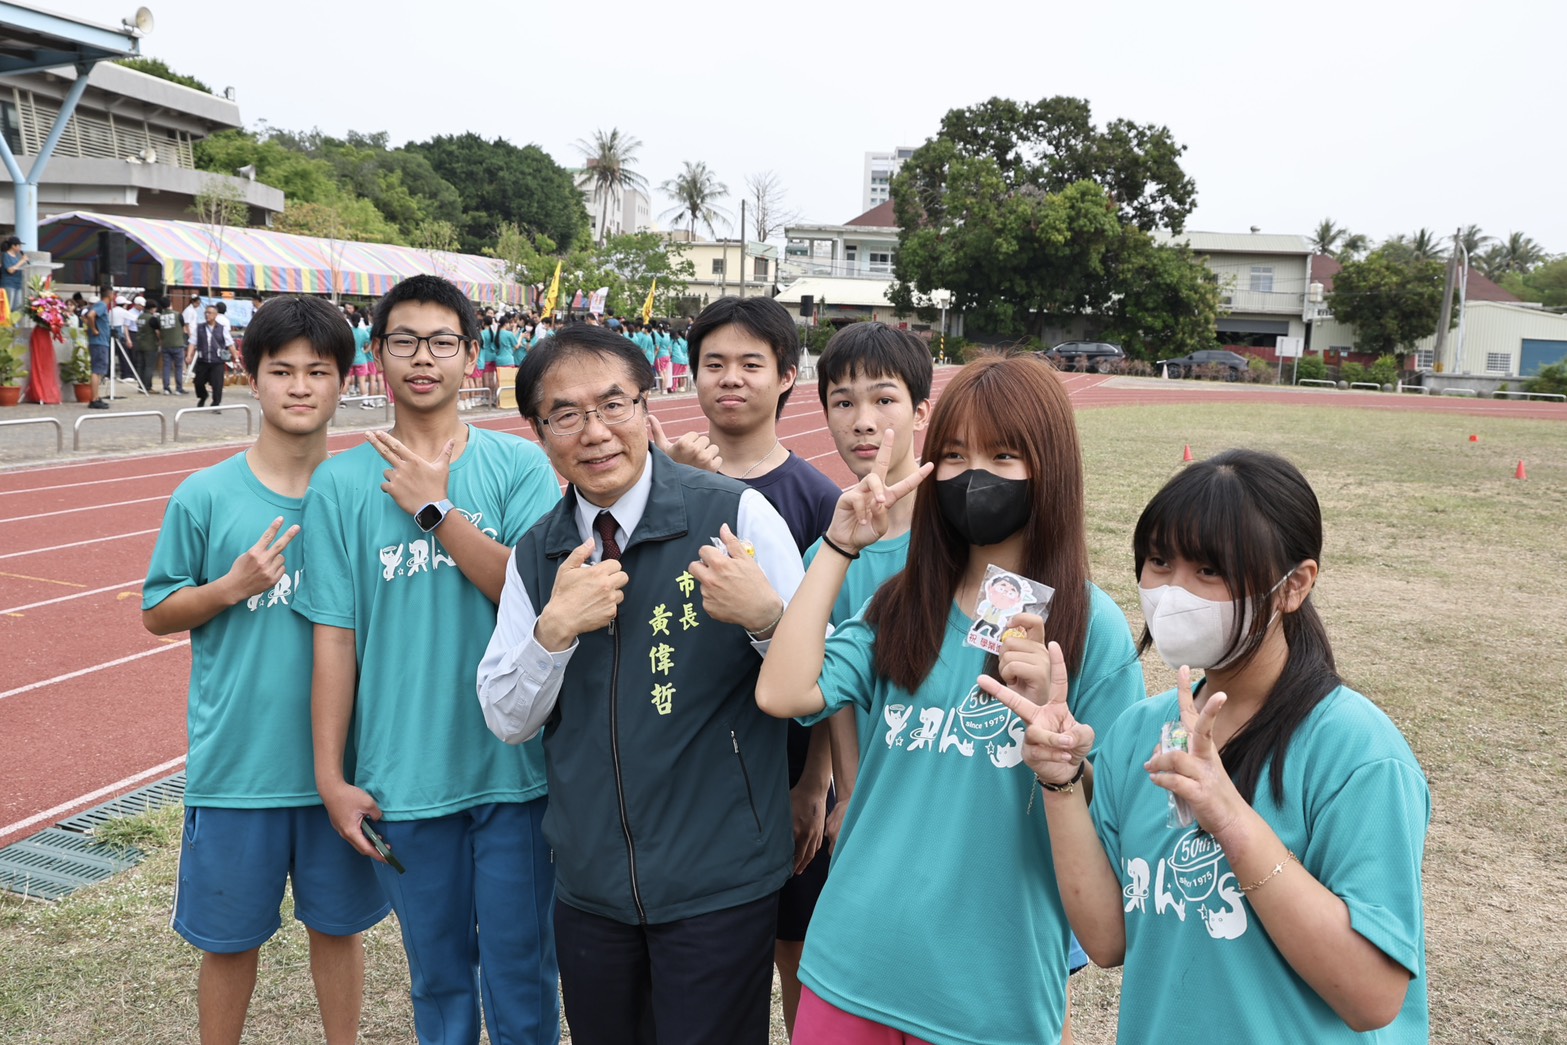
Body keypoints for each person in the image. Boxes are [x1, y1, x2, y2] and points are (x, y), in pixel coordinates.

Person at [755, 354, 1145, 1045]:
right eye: (955, 454)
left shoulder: (1090, 628)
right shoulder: (899, 605)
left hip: (988, 987)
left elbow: (1114, 822)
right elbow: (782, 689)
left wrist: (1061, 762)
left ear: (1049, 467)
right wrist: (838, 548)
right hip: (853, 961)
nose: (974, 475)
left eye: (1002, 454)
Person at [987, 448, 1431, 1043]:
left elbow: (1373, 997)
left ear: (1293, 586)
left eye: (1209, 571)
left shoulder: (1357, 754)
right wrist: (1060, 779)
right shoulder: (1140, 734)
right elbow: (1108, 939)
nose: (1173, 593)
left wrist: (1231, 820)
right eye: (1159, 562)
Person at [476, 325, 803, 1045]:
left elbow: (813, 676)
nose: (593, 432)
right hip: (591, 887)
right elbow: (506, 716)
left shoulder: (735, 516)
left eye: (612, 404)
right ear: (538, 430)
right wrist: (552, 631)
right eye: (565, 414)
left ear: (646, 408)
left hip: (719, 880)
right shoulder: (536, 554)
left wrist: (766, 618)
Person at [293, 275, 563, 1045]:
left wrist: (435, 512)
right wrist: (330, 777)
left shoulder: (515, 467)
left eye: (442, 341)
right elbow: (333, 638)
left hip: (517, 772)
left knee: (521, 968)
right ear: (376, 355)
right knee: (438, 975)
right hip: (402, 780)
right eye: (403, 340)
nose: (423, 357)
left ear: (473, 355)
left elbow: (534, 595)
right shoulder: (340, 485)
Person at [141, 295, 388, 1045]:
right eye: (282, 370)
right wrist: (229, 588)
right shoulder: (206, 496)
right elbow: (157, 610)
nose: (301, 386)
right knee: (228, 941)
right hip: (238, 765)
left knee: (338, 930)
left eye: (319, 370)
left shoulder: (370, 495)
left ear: (346, 380)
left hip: (340, 772)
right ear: (251, 378)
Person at [660, 294, 842, 1036]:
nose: (729, 379)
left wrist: (815, 782)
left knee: (796, 944)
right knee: (706, 954)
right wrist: (674, 488)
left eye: (750, 364)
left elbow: (836, 654)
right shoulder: (653, 482)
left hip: (784, 760)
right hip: (690, 768)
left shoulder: (817, 499)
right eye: (712, 364)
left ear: (787, 376)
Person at [188, 305, 232, 408]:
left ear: (215, 315)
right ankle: (203, 396)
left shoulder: (222, 328)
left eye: (210, 313)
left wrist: (237, 358)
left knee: (217, 384)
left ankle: (216, 403)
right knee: (198, 382)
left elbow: (230, 343)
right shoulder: (199, 328)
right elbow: (192, 342)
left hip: (217, 361)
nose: (207, 315)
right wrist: (189, 355)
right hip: (203, 360)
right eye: (206, 313)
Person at [84, 286, 112, 409]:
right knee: (97, 370)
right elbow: (90, 316)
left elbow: (85, 317)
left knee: (98, 369)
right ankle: (94, 398)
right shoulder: (101, 305)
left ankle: (96, 396)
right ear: (110, 295)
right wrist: (94, 330)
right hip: (100, 342)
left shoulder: (98, 305)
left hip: (98, 341)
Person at [158, 295, 188, 395]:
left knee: (166, 367)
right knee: (178, 367)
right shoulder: (178, 315)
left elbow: (157, 329)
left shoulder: (159, 317)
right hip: (178, 344)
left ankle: (166, 388)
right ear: (170, 304)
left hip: (165, 344)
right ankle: (179, 388)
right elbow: (183, 326)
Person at [0, 236, 25, 311]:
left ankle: (14, 322)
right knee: (8, 307)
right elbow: (10, 270)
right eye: (19, 245)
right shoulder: (5, 255)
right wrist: (22, 261)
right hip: (8, 284)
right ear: (13, 246)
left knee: (18, 307)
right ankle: (6, 322)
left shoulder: (17, 257)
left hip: (18, 284)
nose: (20, 247)